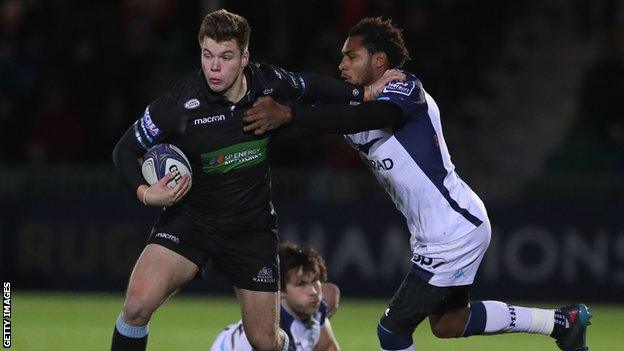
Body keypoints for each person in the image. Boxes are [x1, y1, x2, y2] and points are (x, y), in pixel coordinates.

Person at [241, 17, 592, 351]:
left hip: (453, 228)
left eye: (351, 56)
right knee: (449, 323)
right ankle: (562, 322)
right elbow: (309, 124)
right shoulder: (353, 104)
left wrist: (292, 113)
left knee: (392, 330)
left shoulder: (404, 86)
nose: (342, 65)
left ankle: (564, 323)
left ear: (378, 60)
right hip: (436, 232)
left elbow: (379, 115)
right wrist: (259, 122)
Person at [110, 10, 400, 351]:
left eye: (226, 56)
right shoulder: (178, 105)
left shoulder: (268, 82)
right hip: (192, 220)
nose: (214, 67)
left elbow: (311, 84)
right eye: (207, 55)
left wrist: (363, 95)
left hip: (250, 229)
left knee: (264, 341)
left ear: (244, 57)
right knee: (136, 306)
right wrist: (146, 193)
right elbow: (124, 151)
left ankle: (297, 342)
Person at [210, 243, 340, 351]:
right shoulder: (272, 331)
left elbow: (328, 346)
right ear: (281, 291)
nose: (313, 291)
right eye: (301, 284)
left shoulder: (315, 307)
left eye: (314, 280)